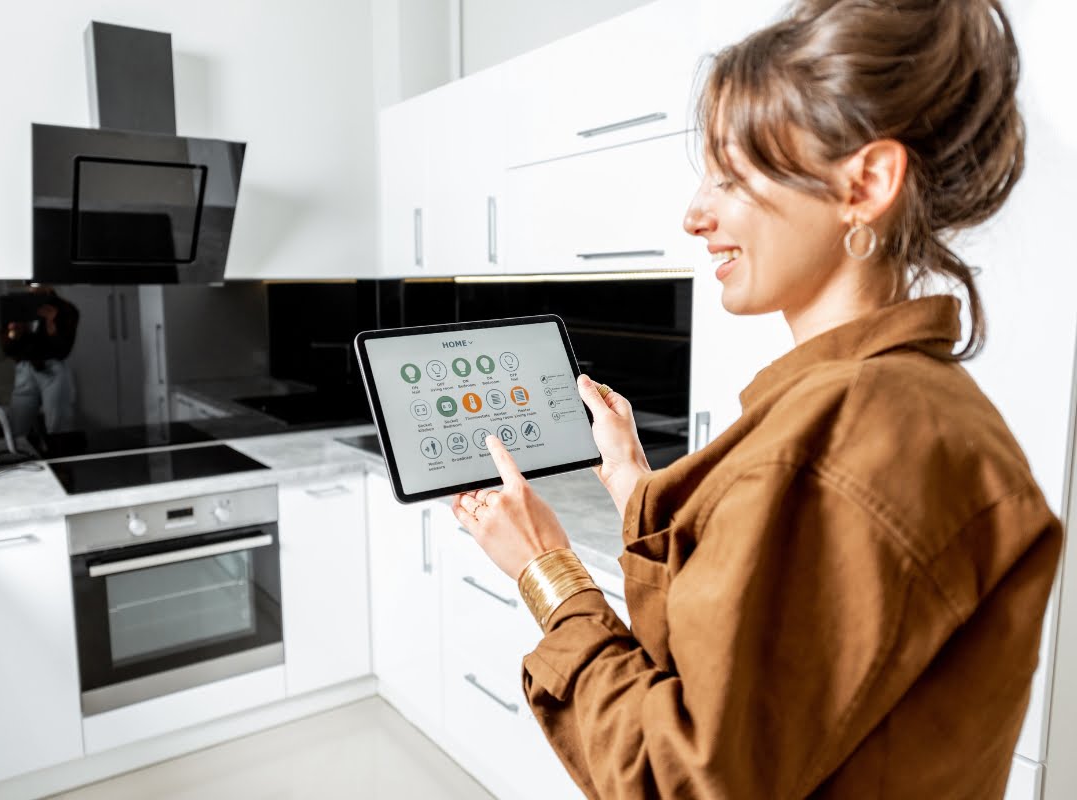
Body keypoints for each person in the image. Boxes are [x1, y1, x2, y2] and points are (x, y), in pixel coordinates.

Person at [452, 1, 1063, 797]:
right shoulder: (893, 404)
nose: (696, 215)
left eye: (732, 177)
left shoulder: (850, 436)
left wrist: (549, 570)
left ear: (866, 184)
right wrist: (632, 480)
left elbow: (684, 777)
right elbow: (747, 653)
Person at [0, 284, 79, 436]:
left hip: (52, 368)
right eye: (30, 284)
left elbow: (63, 350)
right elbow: (7, 348)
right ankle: (20, 456)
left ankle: (61, 456)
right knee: (17, 425)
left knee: (58, 425)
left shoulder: (65, 309)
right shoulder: (17, 306)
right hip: (25, 367)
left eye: (38, 283)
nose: (34, 288)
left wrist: (51, 324)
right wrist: (13, 333)